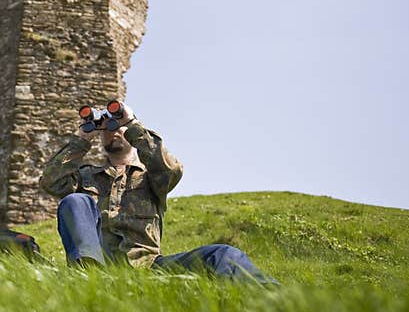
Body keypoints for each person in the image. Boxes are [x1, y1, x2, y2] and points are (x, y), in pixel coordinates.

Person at [39, 101, 278, 284]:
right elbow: (50, 181)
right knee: (75, 200)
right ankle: (88, 277)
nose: (113, 132)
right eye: (108, 129)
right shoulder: (86, 176)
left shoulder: (152, 177)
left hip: (149, 267)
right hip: (102, 265)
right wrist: (82, 139)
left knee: (223, 255)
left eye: (118, 127)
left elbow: (172, 170)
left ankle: (276, 298)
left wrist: (132, 125)